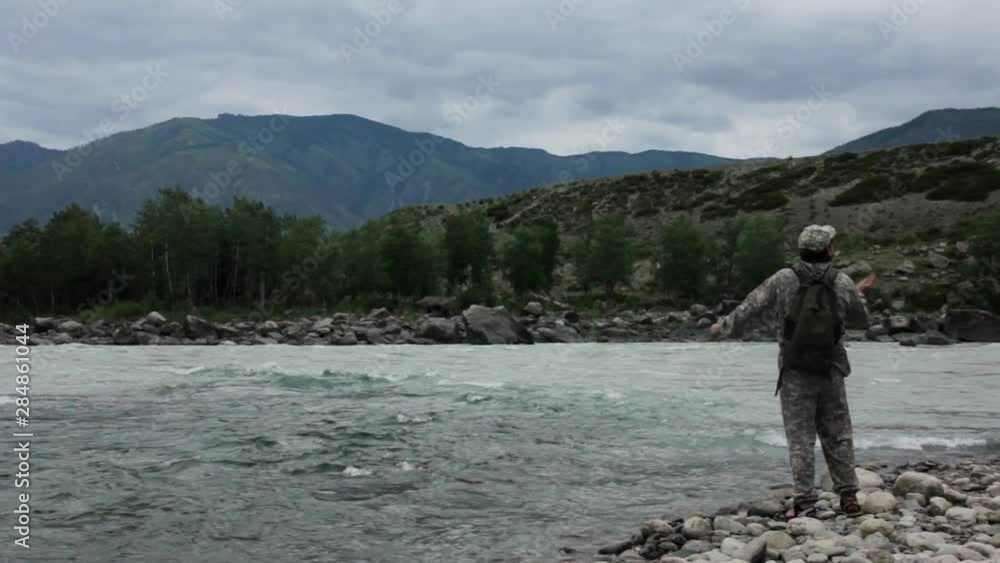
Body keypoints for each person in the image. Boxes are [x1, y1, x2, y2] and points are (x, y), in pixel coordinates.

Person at [709, 224, 876, 518]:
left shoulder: (783, 278)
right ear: (828, 250)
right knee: (837, 434)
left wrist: (722, 327)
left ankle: (805, 501)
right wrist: (857, 293)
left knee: (800, 438)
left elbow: (750, 307)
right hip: (831, 369)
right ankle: (848, 497)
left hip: (794, 371)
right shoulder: (842, 281)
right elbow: (862, 321)